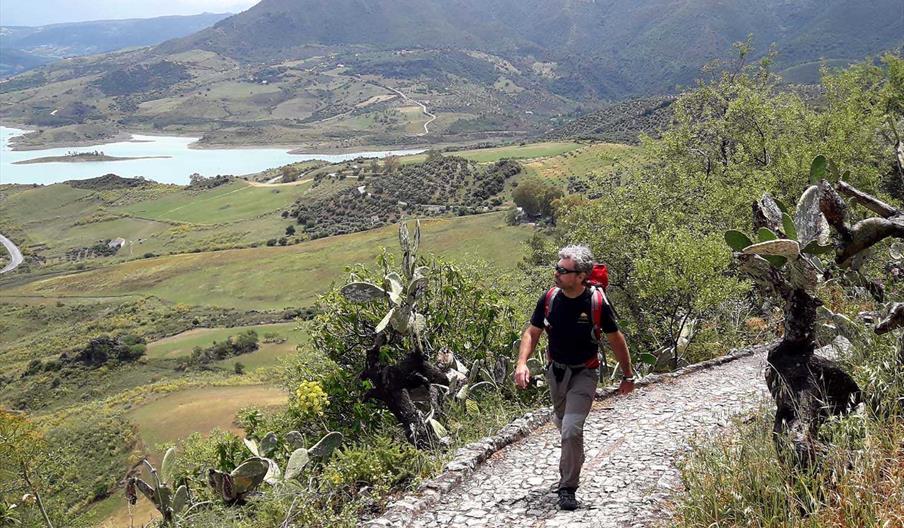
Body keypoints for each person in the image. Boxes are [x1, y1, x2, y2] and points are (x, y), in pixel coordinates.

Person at [514, 244, 635, 511]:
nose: (556, 273)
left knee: (570, 428)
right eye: (557, 268)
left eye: (562, 270)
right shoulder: (550, 298)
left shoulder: (596, 302)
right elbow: (532, 332)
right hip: (556, 373)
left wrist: (627, 375)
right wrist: (522, 363)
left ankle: (567, 488)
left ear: (581, 275)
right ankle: (575, 454)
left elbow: (616, 339)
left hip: (585, 372)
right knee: (562, 422)